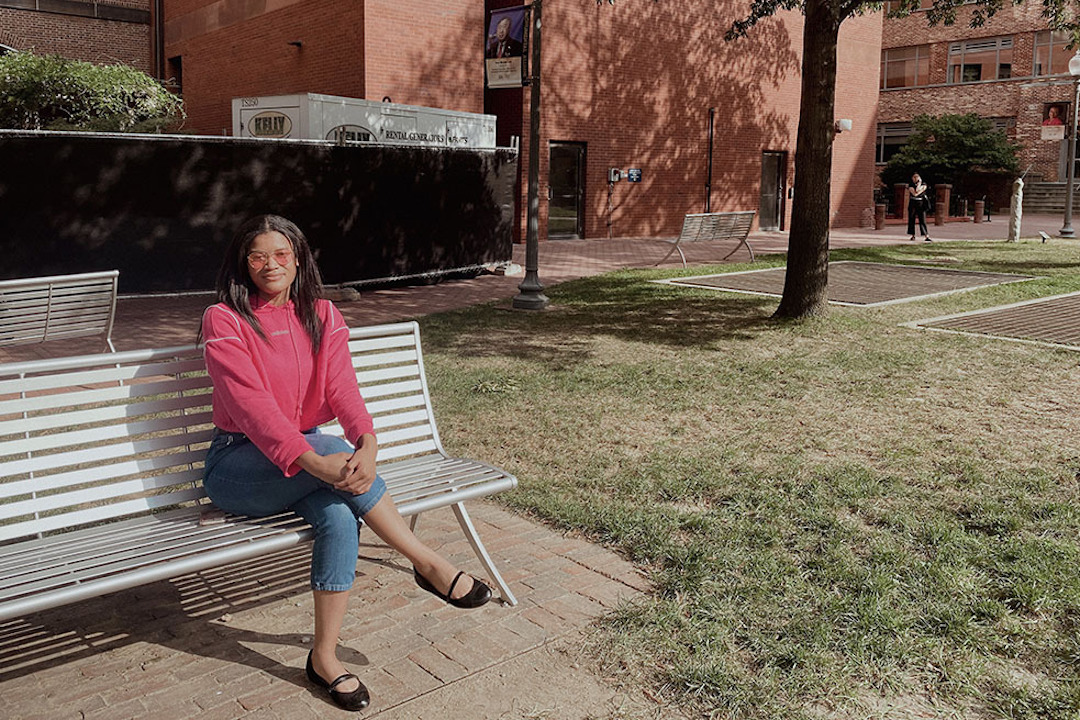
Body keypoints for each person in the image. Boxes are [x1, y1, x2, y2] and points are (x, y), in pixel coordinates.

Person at [200, 214, 492, 712]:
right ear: (243, 263)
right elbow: (250, 406)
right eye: (257, 256)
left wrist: (369, 442)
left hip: (304, 461)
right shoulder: (224, 318)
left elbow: (341, 387)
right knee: (334, 452)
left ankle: (324, 658)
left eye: (280, 254)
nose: (269, 265)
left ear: (298, 258)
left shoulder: (322, 313)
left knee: (339, 516)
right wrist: (314, 459)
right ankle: (425, 560)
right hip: (238, 467)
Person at [907, 172, 931, 242]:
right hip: (912, 203)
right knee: (911, 219)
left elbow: (918, 191)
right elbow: (914, 193)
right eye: (914, 177)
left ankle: (926, 235)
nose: (915, 178)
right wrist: (917, 189)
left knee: (922, 219)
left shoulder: (924, 184)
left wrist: (919, 183)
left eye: (917, 177)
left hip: (921, 203)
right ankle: (912, 235)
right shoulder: (910, 185)